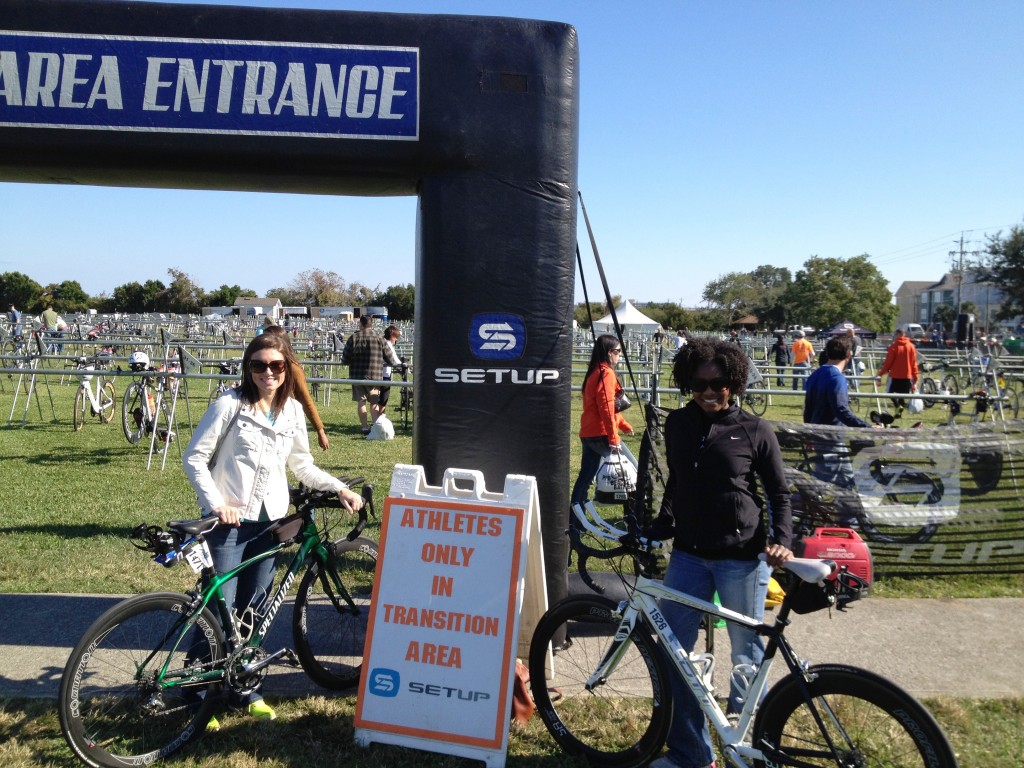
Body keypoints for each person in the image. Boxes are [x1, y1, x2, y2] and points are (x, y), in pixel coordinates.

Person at [182, 333, 363, 724]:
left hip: (271, 523)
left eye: (276, 365)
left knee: (254, 609)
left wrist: (339, 487)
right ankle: (198, 693)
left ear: (287, 368)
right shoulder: (229, 405)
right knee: (218, 610)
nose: (268, 372)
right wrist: (217, 504)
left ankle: (246, 688)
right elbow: (194, 458)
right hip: (228, 524)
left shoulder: (293, 411)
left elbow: (302, 466)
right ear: (248, 367)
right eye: (259, 365)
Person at [648, 337, 793, 768]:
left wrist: (781, 538)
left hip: (742, 559)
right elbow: (676, 483)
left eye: (720, 383)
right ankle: (692, 754)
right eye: (699, 384)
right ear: (687, 384)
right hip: (688, 556)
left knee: (746, 661)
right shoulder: (678, 424)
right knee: (675, 654)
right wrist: (661, 521)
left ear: (735, 381)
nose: (710, 392)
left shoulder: (755, 430)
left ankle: (752, 753)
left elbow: (779, 492)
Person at [569, 334, 634, 518]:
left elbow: (605, 407)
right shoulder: (607, 373)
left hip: (589, 433)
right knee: (631, 473)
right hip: (602, 434)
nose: (620, 355)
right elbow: (606, 406)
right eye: (618, 351)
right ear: (609, 352)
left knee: (586, 478)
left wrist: (623, 424)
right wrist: (613, 438)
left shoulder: (594, 372)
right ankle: (634, 519)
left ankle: (574, 518)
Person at [803, 336, 872, 501]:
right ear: (849, 355)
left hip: (821, 435)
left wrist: (808, 433)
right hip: (830, 438)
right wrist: (867, 428)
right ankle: (798, 516)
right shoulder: (837, 378)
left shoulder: (816, 374)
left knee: (846, 481)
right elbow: (841, 410)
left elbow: (808, 409)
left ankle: (848, 520)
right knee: (821, 484)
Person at [262, 324, 330, 450]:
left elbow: (306, 400)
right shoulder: (259, 368)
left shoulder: (293, 369)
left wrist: (320, 430)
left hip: (287, 421)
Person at [341, 315, 401, 436]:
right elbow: (390, 359)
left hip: (357, 376)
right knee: (374, 403)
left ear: (360, 324)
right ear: (371, 324)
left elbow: (345, 359)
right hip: (375, 376)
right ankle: (375, 426)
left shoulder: (353, 338)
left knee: (361, 402)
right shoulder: (380, 338)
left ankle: (364, 427)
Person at [876, 327, 918, 414]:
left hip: (895, 375)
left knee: (890, 393)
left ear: (898, 334)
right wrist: (915, 376)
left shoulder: (893, 347)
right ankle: (899, 411)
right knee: (902, 396)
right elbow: (914, 363)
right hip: (907, 375)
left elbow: (888, 363)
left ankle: (897, 408)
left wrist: (880, 373)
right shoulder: (911, 347)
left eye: (895, 335)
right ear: (904, 334)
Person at [378, 325, 402, 414]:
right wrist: (405, 368)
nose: (396, 340)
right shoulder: (388, 345)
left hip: (378, 374)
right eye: (396, 338)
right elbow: (394, 360)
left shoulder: (382, 342)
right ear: (392, 337)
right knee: (383, 400)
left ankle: (377, 419)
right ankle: (379, 419)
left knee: (378, 400)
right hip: (384, 374)